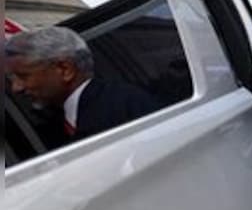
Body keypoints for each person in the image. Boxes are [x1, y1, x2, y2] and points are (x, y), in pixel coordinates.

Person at [5, 25, 160, 143]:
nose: (16, 88)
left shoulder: (122, 108)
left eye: (23, 76)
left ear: (65, 69)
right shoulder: (66, 118)